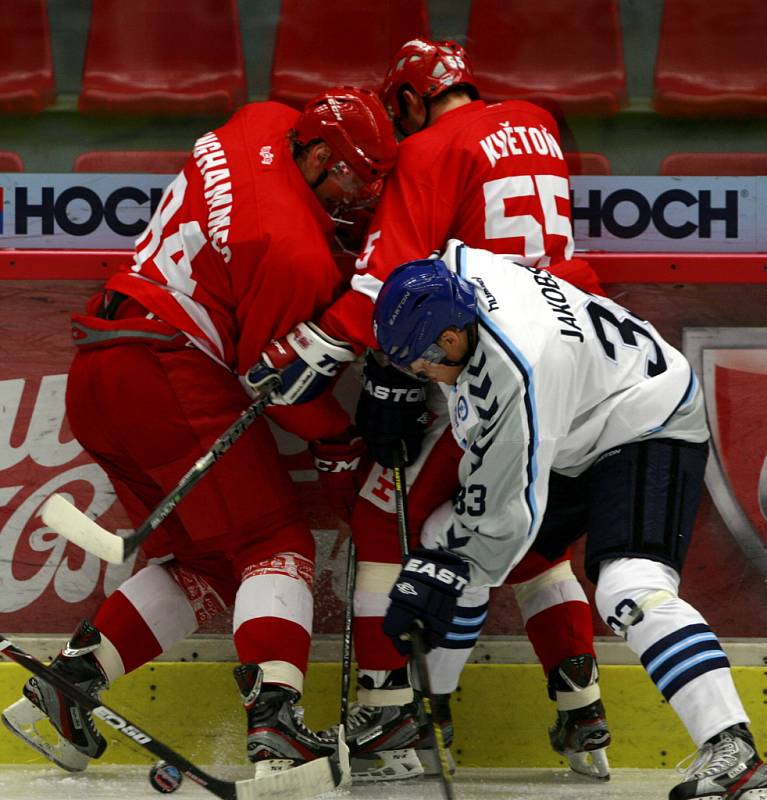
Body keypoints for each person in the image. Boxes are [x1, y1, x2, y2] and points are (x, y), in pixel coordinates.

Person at [2, 87, 397, 778]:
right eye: (346, 177)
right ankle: (276, 726)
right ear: (310, 153)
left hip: (98, 370)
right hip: (165, 375)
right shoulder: (292, 249)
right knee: (275, 543)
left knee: (209, 566)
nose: (356, 195)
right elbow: (278, 383)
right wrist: (341, 443)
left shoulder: (263, 121)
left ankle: (67, 687)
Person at [246, 39, 610, 781]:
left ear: (411, 101)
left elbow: (384, 283)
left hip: (494, 369)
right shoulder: (536, 120)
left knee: (383, 517)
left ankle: (386, 718)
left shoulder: (430, 149)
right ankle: (585, 709)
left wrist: (318, 348)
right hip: (579, 358)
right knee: (531, 536)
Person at [373, 242, 767, 800]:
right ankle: (425, 718)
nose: (422, 374)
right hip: (581, 415)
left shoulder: (518, 372)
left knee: (630, 586)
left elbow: (508, 515)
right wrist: (384, 373)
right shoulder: (456, 269)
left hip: (648, 421)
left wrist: (442, 569)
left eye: (421, 363)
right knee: (447, 538)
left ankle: (734, 750)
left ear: (453, 338)